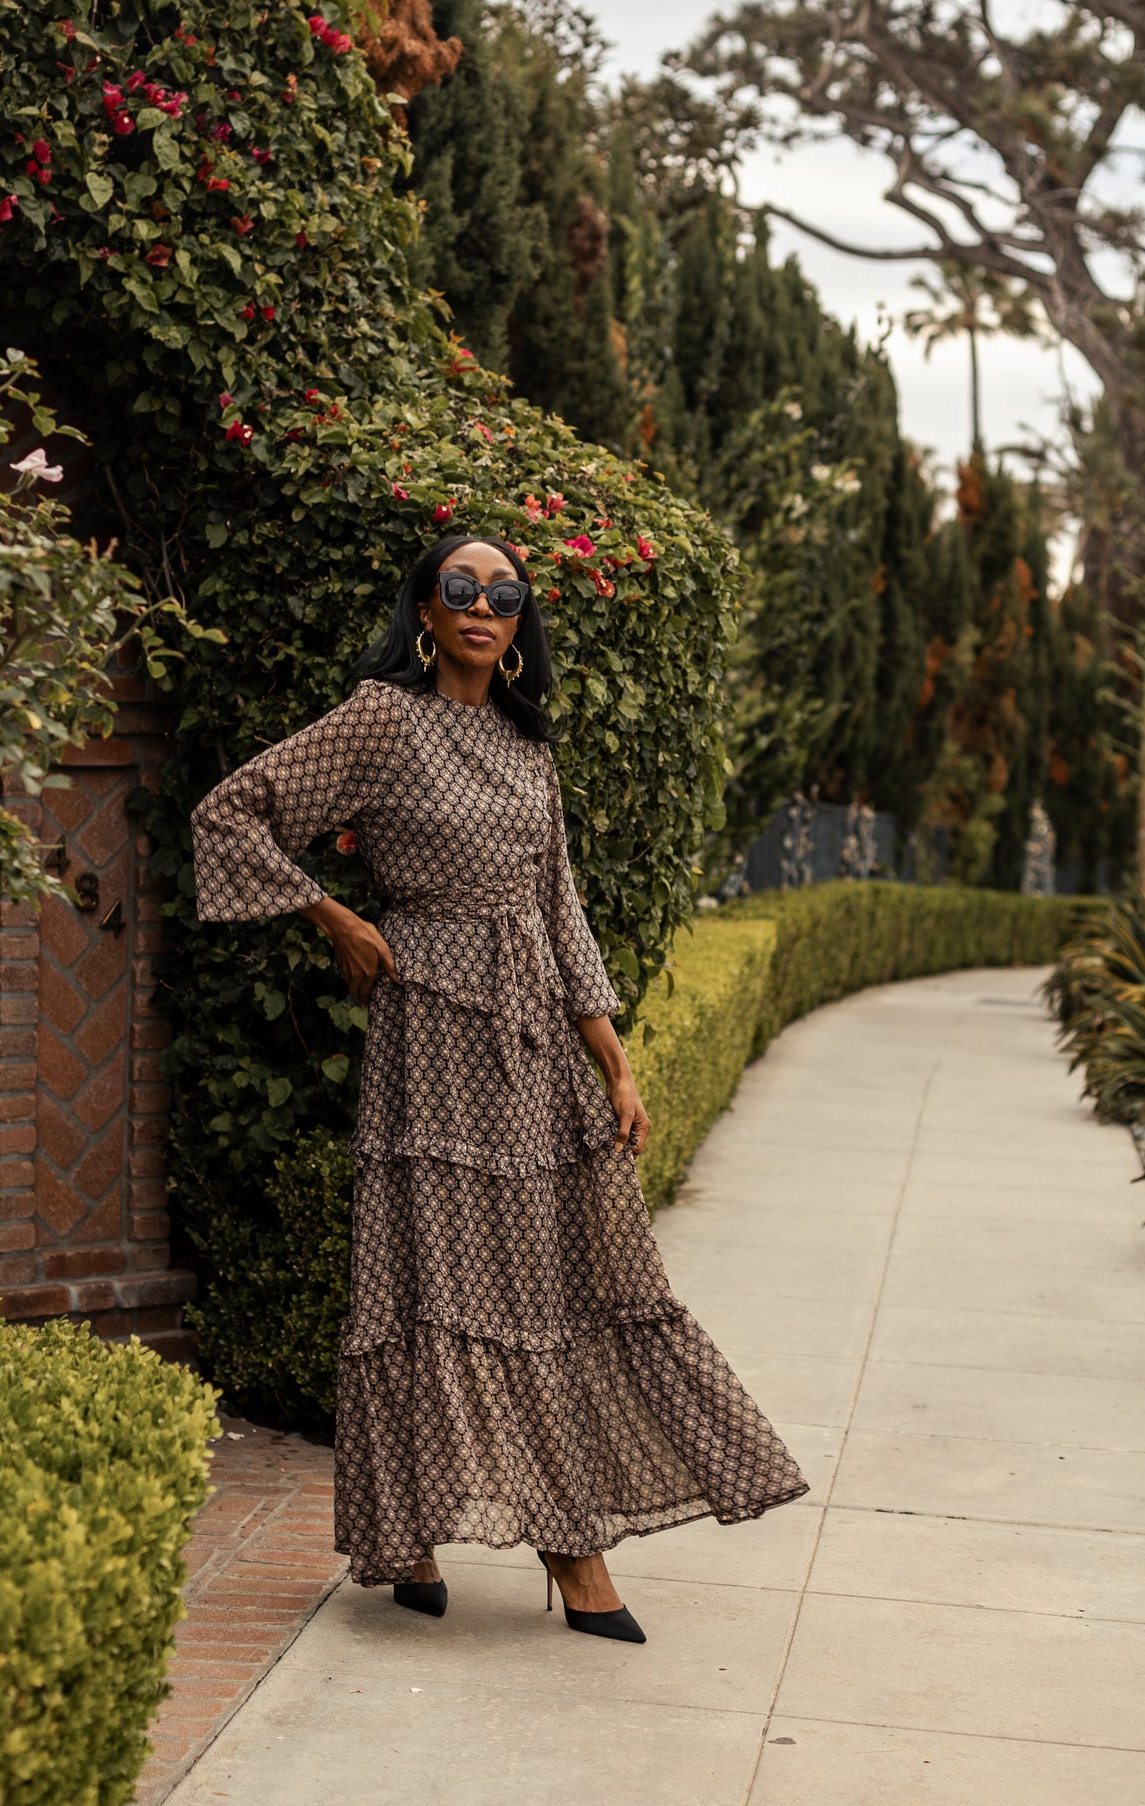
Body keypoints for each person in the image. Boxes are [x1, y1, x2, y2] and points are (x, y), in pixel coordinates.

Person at [191, 534, 808, 1643]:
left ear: (521, 620)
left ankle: (513, 1539)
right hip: (427, 1035)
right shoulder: (380, 719)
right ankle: (506, 1551)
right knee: (425, 1278)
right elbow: (229, 811)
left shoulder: (528, 746)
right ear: (425, 610)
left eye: (504, 594)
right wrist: (331, 917)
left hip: (529, 1044)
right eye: (460, 590)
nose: (483, 607)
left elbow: (558, 906)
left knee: (553, 1281)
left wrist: (612, 1061)